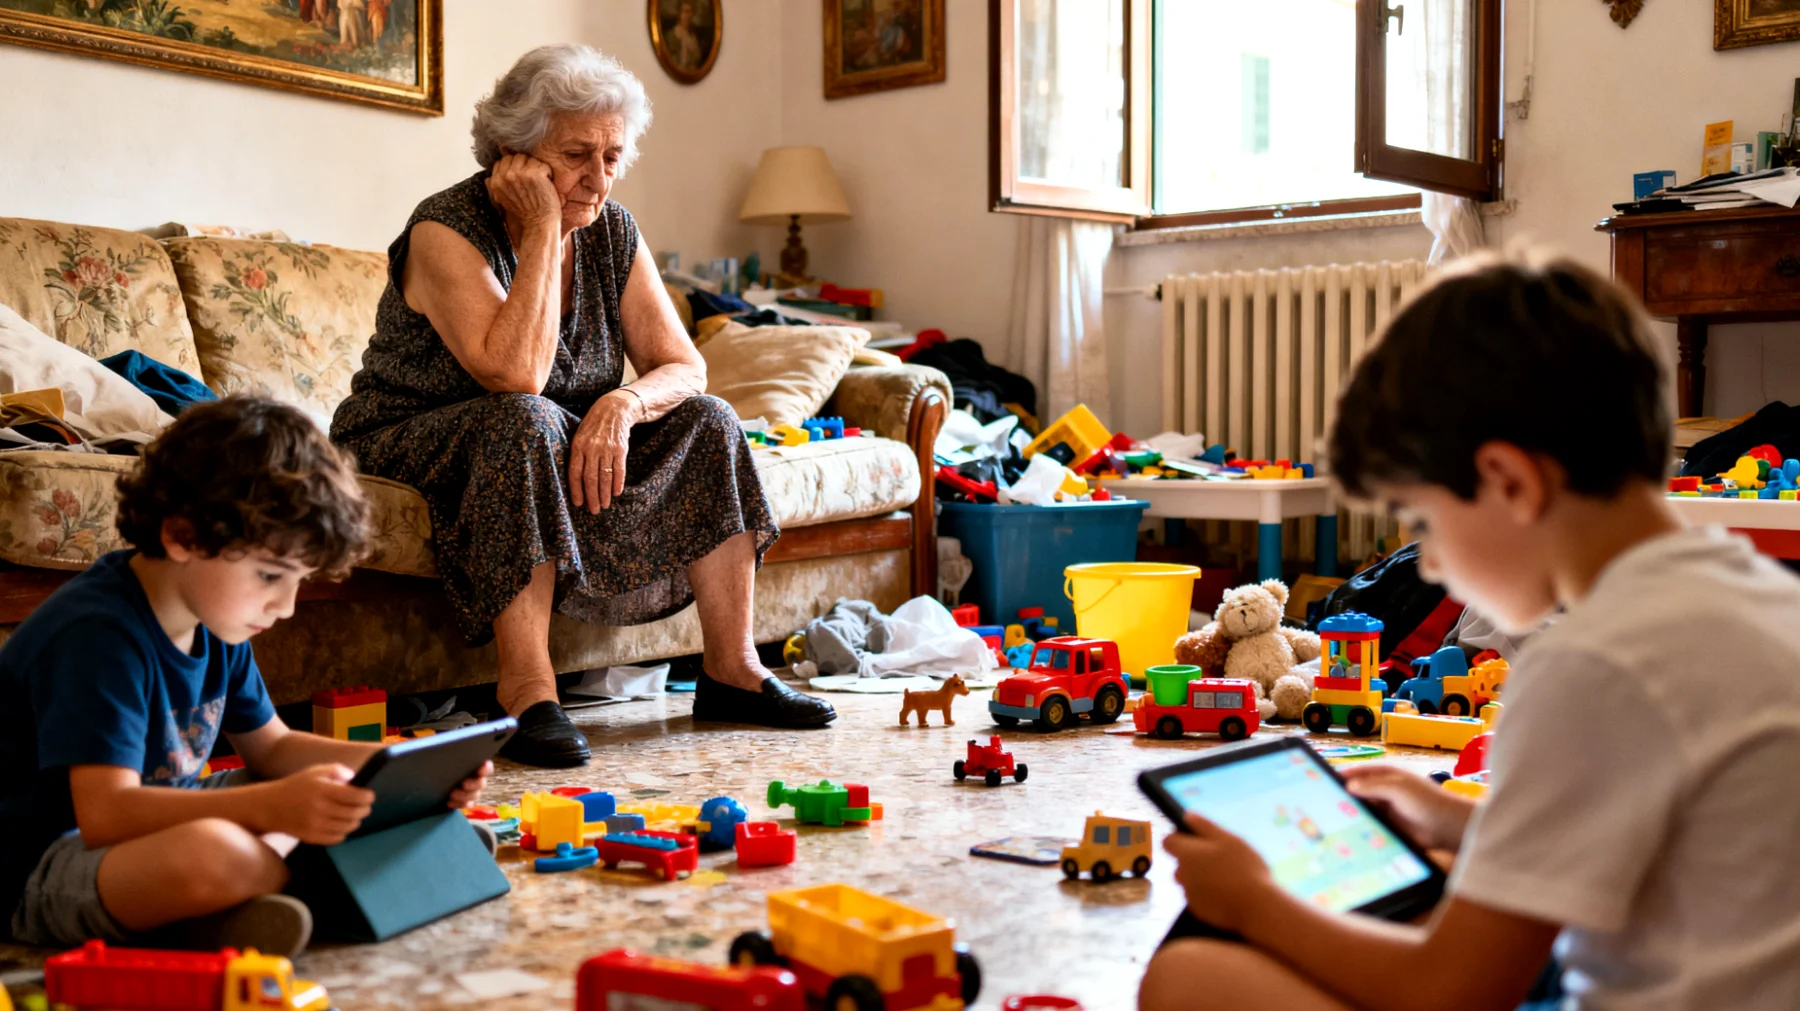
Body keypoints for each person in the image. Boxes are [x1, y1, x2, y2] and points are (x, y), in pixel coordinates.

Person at [1139, 251, 1800, 1011]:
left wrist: (1253, 899)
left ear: (1510, 482)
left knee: (1191, 977)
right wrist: (1457, 817)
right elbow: (1646, 833)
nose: (1432, 564)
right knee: (1433, 868)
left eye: (1426, 522)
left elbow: (1451, 990)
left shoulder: (1591, 663)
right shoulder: (1751, 592)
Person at [331, 43, 834, 769]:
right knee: (524, 417)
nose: (599, 178)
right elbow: (514, 375)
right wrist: (542, 228)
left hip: (544, 435)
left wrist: (622, 403)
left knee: (711, 420)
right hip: (409, 438)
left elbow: (684, 366)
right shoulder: (444, 229)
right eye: (576, 156)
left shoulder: (613, 229)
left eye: (612, 156)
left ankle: (731, 669)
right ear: (514, 154)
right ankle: (527, 691)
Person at [0, 396, 491, 956]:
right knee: (215, 852)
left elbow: (274, 749)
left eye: (298, 581)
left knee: (330, 787)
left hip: (158, 817)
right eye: (269, 576)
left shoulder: (210, 619)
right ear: (183, 536)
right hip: (42, 862)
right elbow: (107, 816)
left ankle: (252, 903)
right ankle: (365, 876)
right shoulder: (96, 634)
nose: (285, 607)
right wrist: (270, 808)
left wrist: (400, 771)